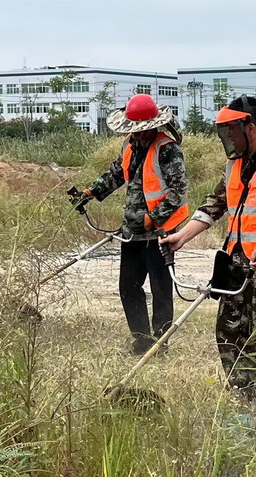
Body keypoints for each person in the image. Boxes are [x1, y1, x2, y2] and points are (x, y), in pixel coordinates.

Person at [162, 95, 256, 405]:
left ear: (249, 128)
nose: (228, 139)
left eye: (230, 132)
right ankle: (241, 394)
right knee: (229, 330)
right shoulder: (235, 163)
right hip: (236, 261)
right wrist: (181, 236)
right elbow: (215, 204)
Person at [80, 94, 189, 355]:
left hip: (160, 233)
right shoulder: (130, 145)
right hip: (132, 231)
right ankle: (141, 341)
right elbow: (117, 173)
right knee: (128, 287)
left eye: (142, 130)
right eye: (135, 130)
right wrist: (91, 192)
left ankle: (160, 345)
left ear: (153, 126)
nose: (138, 134)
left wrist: (154, 217)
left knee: (160, 290)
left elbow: (179, 190)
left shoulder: (167, 149)